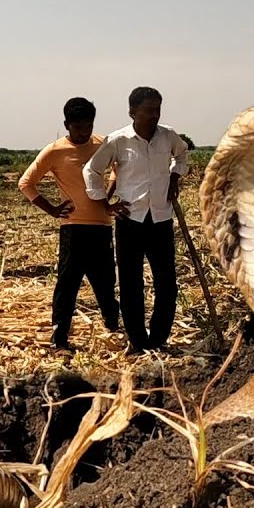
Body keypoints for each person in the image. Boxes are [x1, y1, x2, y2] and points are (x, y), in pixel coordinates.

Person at [82, 86, 189, 354]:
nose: (154, 115)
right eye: (148, 110)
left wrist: (175, 177)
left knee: (167, 283)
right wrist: (105, 204)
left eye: (158, 109)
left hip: (161, 218)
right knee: (131, 283)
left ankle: (159, 338)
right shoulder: (118, 140)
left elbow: (183, 154)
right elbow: (92, 170)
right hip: (130, 219)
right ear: (133, 112)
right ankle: (137, 341)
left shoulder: (168, 136)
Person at [19, 97, 120, 351]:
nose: (84, 132)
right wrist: (52, 209)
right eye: (78, 128)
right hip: (73, 228)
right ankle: (60, 337)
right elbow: (26, 183)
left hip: (102, 226)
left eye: (88, 126)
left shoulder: (103, 144)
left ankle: (114, 328)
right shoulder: (55, 151)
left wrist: (107, 197)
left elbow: (119, 169)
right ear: (67, 125)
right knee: (67, 283)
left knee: (106, 281)